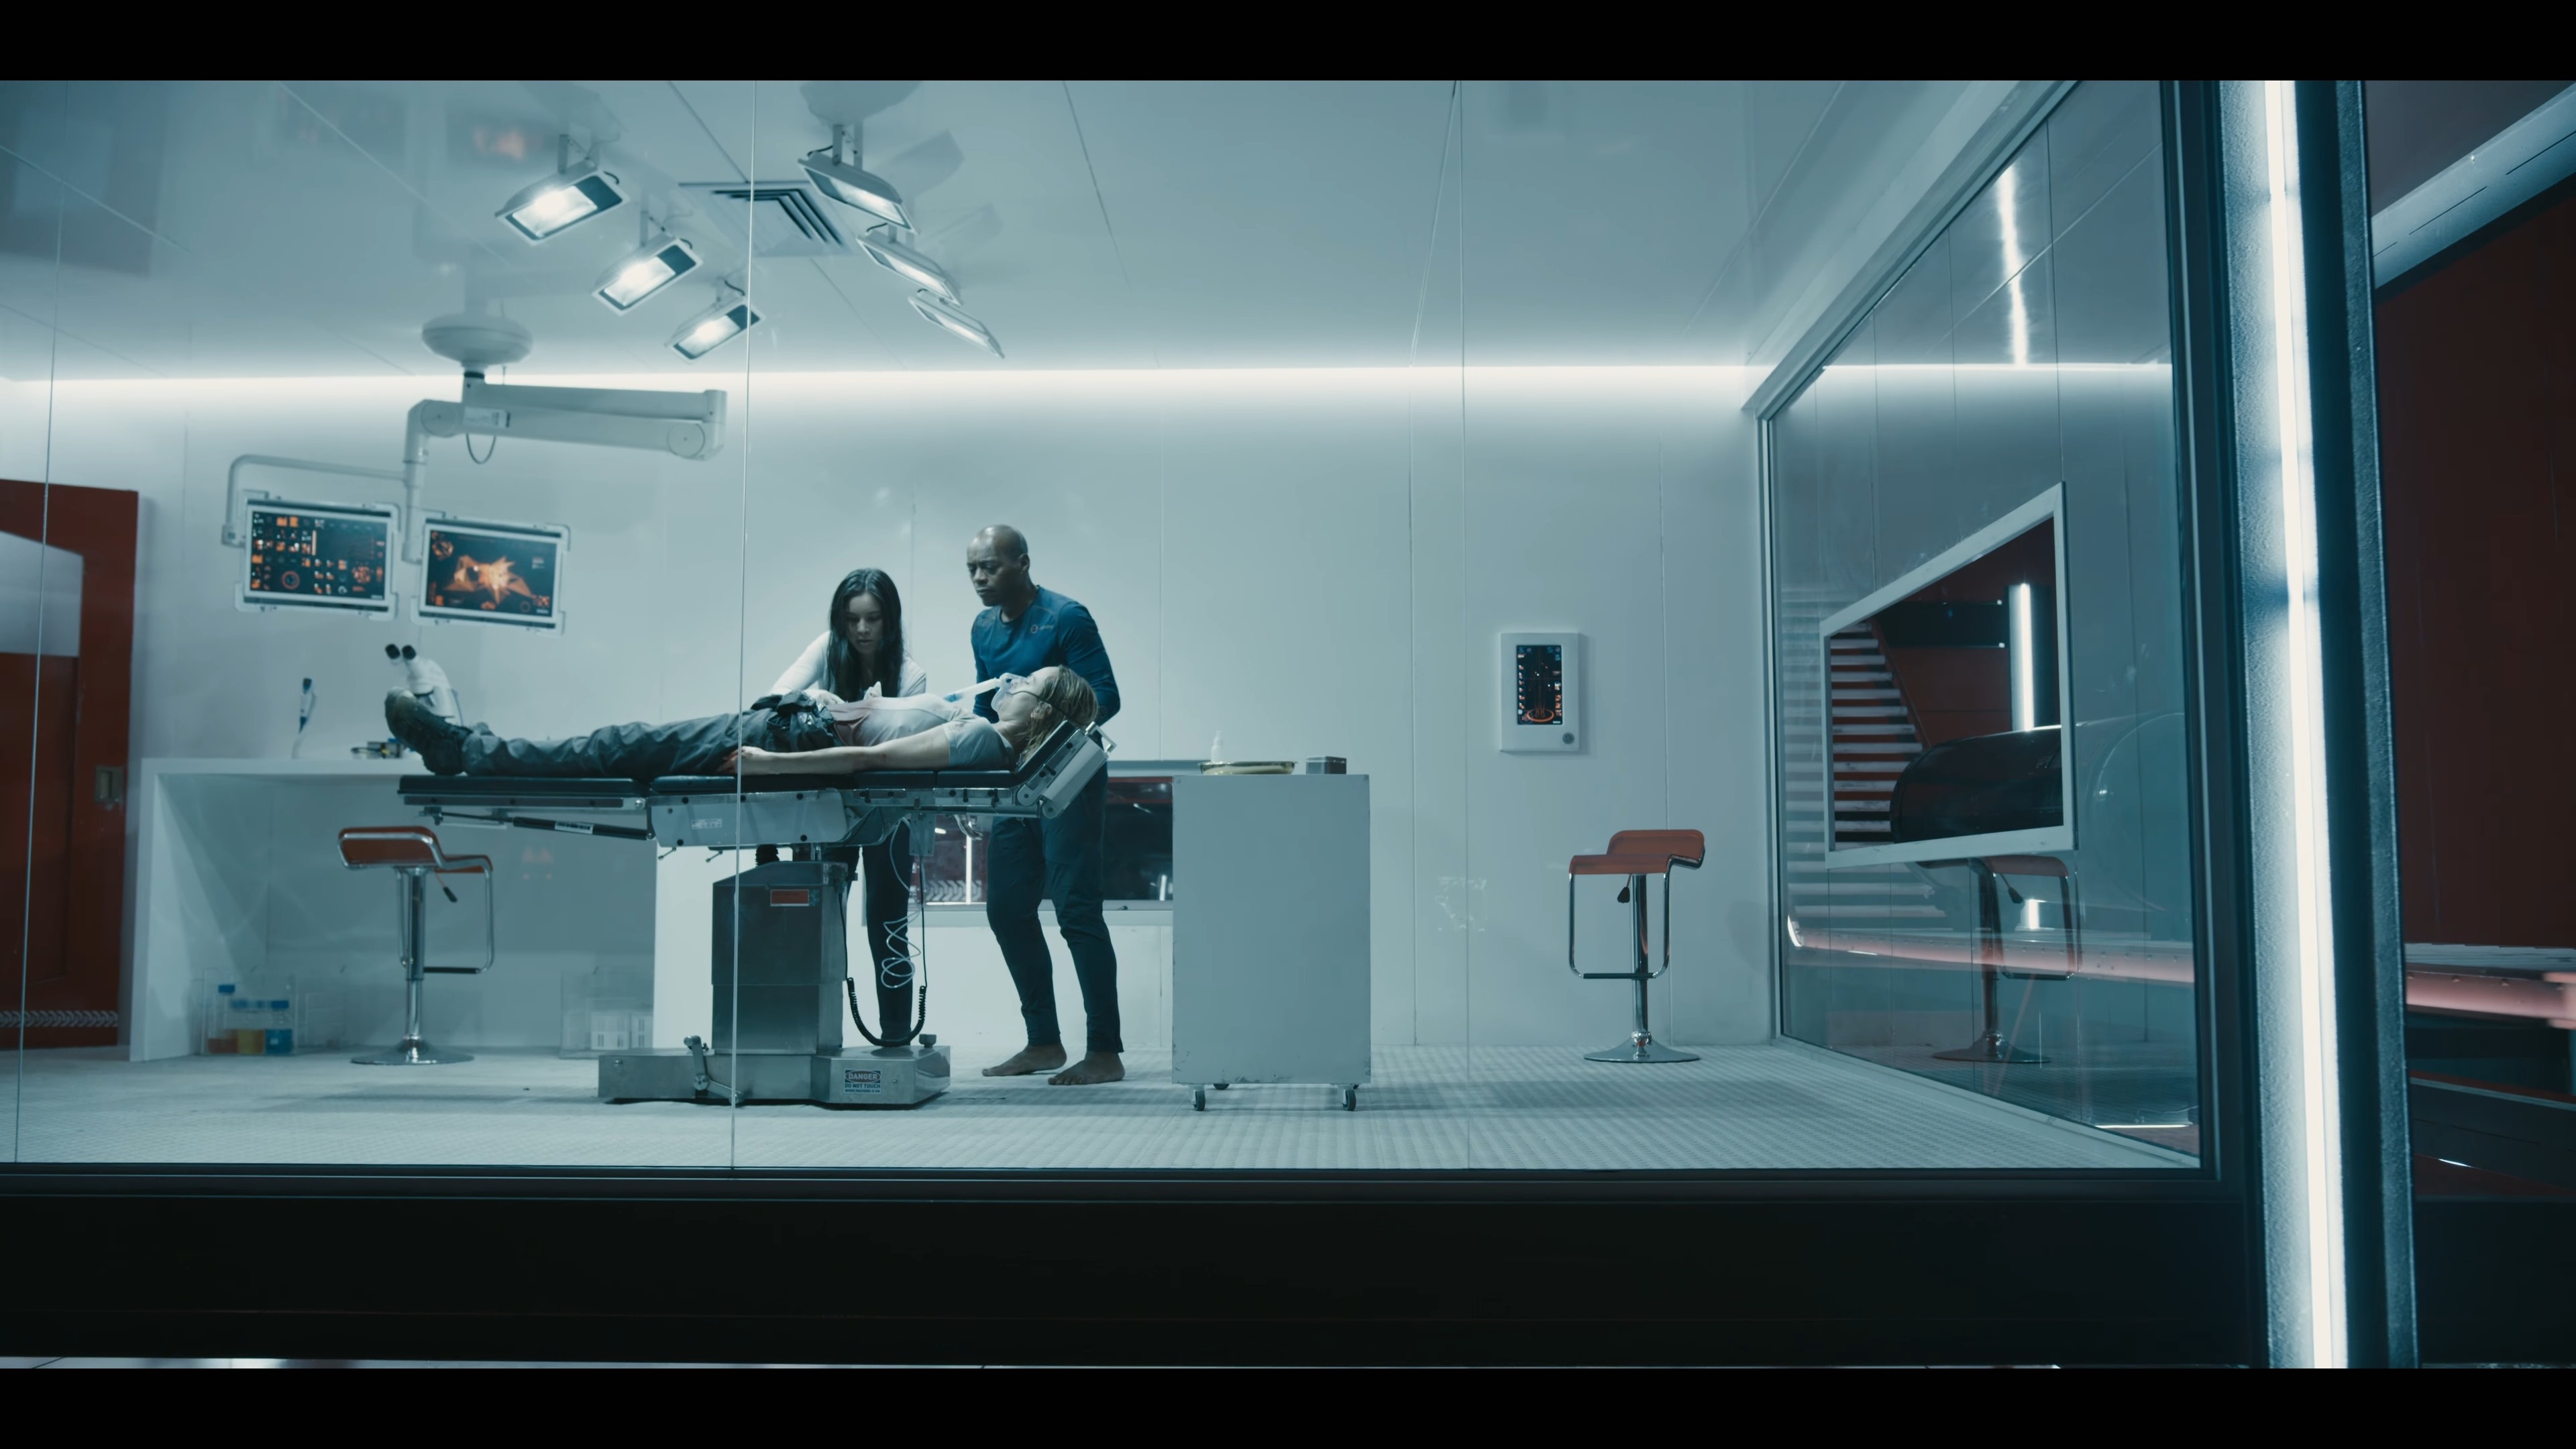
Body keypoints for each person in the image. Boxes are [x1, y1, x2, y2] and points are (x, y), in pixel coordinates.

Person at [964, 524, 1126, 1087]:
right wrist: (976, 782)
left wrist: (1042, 726)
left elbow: (1105, 698)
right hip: (1014, 787)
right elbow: (988, 712)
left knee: (1077, 911)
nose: (980, 578)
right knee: (1007, 910)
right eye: (972, 569)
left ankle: (1104, 1051)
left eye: (990, 566)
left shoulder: (1066, 618)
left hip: (1069, 781)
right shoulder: (983, 628)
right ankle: (1044, 1042)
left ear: (1023, 564)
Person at [382, 666, 1096, 780]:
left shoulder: (978, 739)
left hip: (785, 741)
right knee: (626, 747)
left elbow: (872, 762)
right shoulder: (978, 732)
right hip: (797, 724)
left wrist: (773, 765)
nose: (1010, 683)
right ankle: (473, 746)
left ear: (1042, 714)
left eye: (1025, 686)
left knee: (620, 746)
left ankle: (466, 750)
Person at [767, 570, 929, 1043]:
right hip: (827, 802)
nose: (862, 629)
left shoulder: (910, 675)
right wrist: (811, 698)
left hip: (888, 808)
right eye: (852, 619)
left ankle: (895, 1035)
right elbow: (774, 700)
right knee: (816, 918)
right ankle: (806, 1034)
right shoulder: (826, 647)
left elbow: (904, 749)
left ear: (889, 620)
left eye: (872, 619)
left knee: (888, 923)